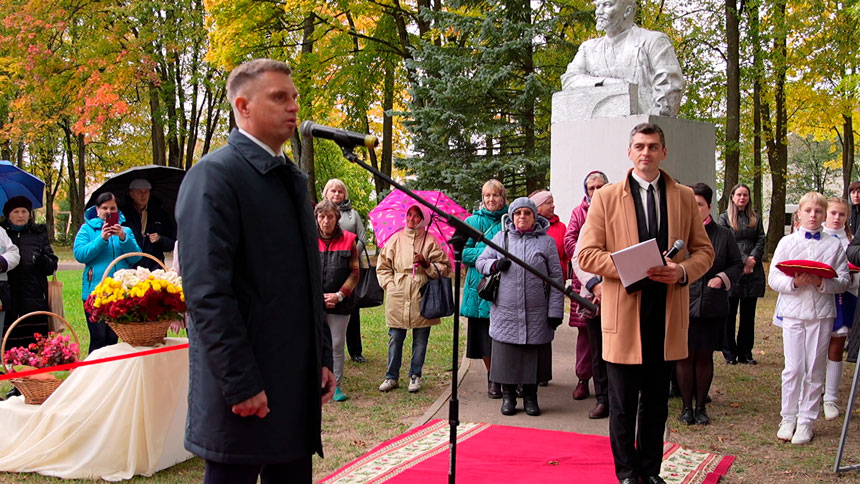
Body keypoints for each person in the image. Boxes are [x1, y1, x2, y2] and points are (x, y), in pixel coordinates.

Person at [175, 58, 335, 484]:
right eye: (279, 97)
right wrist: (241, 382)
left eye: (295, 97)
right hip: (245, 387)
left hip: (293, 379)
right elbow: (207, 293)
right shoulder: (214, 177)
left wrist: (321, 354)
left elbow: (307, 279)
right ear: (243, 106)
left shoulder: (291, 178)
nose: (293, 107)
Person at [578, 123, 714, 484]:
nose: (646, 153)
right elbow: (586, 254)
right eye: (639, 146)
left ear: (663, 152)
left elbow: (705, 251)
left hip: (667, 311)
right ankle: (626, 473)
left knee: (655, 404)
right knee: (622, 405)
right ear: (629, 152)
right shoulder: (606, 197)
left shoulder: (684, 196)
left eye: (653, 146)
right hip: (625, 311)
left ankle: (650, 471)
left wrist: (682, 272)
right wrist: (629, 266)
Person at [769, 192, 849, 445]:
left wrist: (820, 282)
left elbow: (844, 281)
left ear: (824, 215)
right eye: (808, 211)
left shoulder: (833, 245)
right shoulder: (786, 242)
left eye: (818, 211)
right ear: (799, 214)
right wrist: (793, 281)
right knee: (793, 368)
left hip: (821, 313)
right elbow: (774, 278)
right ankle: (788, 417)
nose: (813, 215)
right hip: (793, 312)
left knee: (814, 367)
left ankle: (806, 421)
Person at [477, 197, 564, 417]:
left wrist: (555, 311)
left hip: (537, 312)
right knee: (507, 356)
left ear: (535, 216)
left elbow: (556, 278)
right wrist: (495, 264)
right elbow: (480, 262)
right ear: (512, 217)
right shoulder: (501, 237)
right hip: (506, 311)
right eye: (518, 213)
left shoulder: (546, 242)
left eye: (527, 213)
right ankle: (508, 396)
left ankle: (530, 396)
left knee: (533, 355)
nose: (522, 217)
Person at [676, 183, 743, 426]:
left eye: (699, 205)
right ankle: (685, 407)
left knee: (704, 356)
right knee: (684, 356)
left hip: (712, 304)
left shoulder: (724, 235)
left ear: (709, 207)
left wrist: (722, 279)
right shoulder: (678, 235)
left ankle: (701, 406)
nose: (695, 209)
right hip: (683, 303)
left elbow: (736, 264)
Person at [560, 0, 684, 117]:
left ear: (627, 11)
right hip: (598, 128)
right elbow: (569, 80)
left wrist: (649, 130)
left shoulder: (653, 41)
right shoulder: (588, 49)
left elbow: (669, 88)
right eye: (597, 6)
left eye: (607, 5)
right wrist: (607, 83)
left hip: (642, 130)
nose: (598, 12)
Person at [376, 203, 450, 394]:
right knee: (395, 337)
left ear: (423, 218)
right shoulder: (395, 239)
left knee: (420, 339)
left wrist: (427, 264)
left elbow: (444, 267)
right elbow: (383, 267)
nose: (412, 219)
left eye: (417, 216)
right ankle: (392, 376)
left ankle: (415, 375)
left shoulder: (430, 241)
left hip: (422, 293)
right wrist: (390, 285)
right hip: (398, 292)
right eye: (409, 215)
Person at [73, 192, 141, 353]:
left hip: (120, 293)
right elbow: (80, 254)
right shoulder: (87, 229)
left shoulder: (126, 230)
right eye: (104, 208)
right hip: (95, 292)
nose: (108, 211)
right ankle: (93, 374)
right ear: (97, 210)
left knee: (113, 338)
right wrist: (101, 239)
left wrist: (124, 238)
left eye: (112, 208)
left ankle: (112, 375)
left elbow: (136, 256)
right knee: (98, 337)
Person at [564, 171, 609, 404]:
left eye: (601, 186)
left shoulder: (616, 211)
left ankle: (610, 389)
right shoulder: (579, 213)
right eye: (592, 188)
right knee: (586, 335)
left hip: (613, 284)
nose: (597, 191)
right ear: (586, 191)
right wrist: (590, 269)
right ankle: (583, 379)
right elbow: (570, 242)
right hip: (587, 284)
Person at [460, 179, 508, 399]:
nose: (491, 199)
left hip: (504, 284)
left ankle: (506, 375)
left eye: (495, 195)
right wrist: (488, 253)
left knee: (504, 336)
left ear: (503, 197)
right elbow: (462, 254)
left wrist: (484, 251)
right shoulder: (472, 221)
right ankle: (493, 377)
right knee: (483, 337)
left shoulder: (511, 219)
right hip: (480, 286)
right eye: (487, 195)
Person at [315, 199, 360, 403]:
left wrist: (339, 295)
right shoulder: (308, 240)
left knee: (336, 344)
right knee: (313, 344)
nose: (326, 221)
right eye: (322, 217)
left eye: (330, 217)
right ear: (316, 218)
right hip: (315, 303)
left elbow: (355, 272)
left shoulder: (349, 239)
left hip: (341, 303)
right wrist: (318, 298)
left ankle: (336, 385)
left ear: (337, 218)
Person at [1, 196, 58, 350]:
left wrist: (43, 261)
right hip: (9, 295)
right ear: (8, 214)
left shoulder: (38, 234)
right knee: (9, 341)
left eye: (24, 211)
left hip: (34, 295)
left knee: (35, 343)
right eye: (16, 211)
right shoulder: (3, 235)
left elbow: (52, 265)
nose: (21, 215)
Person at [718, 183, 766, 365]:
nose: (742, 198)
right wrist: (743, 259)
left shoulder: (756, 218)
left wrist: (753, 258)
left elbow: (761, 239)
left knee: (748, 315)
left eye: (745, 195)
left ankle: (745, 351)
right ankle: (729, 352)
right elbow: (726, 241)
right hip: (733, 270)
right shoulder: (724, 219)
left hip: (753, 273)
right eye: (739, 194)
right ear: (732, 197)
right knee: (729, 314)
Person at [322, 178, 368, 364]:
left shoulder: (352, 215)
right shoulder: (321, 214)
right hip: (326, 267)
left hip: (350, 268)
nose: (336, 194)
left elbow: (362, 239)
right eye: (332, 191)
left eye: (340, 191)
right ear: (326, 193)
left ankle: (355, 350)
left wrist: (350, 255)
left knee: (350, 308)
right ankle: (326, 350)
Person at [821, 198, 857, 421]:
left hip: (843, 298)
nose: (836, 218)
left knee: (836, 347)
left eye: (841, 215)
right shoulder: (816, 236)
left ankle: (831, 397)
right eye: (833, 213)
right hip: (817, 297)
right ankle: (814, 392)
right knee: (814, 349)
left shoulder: (851, 242)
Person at [121, 178, 176, 271]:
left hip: (155, 268)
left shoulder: (160, 214)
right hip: (129, 268)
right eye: (139, 192)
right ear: (131, 194)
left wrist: (160, 239)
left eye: (146, 192)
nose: (143, 195)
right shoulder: (123, 214)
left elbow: (172, 243)